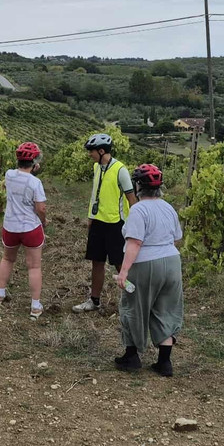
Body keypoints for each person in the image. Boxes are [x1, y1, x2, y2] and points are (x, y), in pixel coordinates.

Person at [113, 163, 183, 377]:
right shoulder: (168, 207)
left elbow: (134, 243)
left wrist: (124, 272)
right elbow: (177, 237)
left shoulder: (138, 209)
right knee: (166, 309)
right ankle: (164, 362)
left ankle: (132, 356)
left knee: (134, 307)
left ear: (137, 186)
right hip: (172, 262)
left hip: (145, 264)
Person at [72, 133, 137, 313]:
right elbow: (95, 194)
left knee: (120, 264)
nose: (89, 154)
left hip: (116, 224)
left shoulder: (120, 169)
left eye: (91, 151)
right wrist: (90, 218)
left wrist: (137, 225)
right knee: (97, 261)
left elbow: (132, 199)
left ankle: (135, 301)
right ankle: (94, 301)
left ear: (102, 151)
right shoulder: (97, 167)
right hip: (98, 222)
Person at [0, 142, 48, 319]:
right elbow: (41, 208)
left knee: (7, 259)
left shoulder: (9, 175)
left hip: (10, 227)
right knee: (34, 266)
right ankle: (35, 306)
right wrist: (44, 221)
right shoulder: (35, 182)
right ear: (34, 162)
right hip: (30, 228)